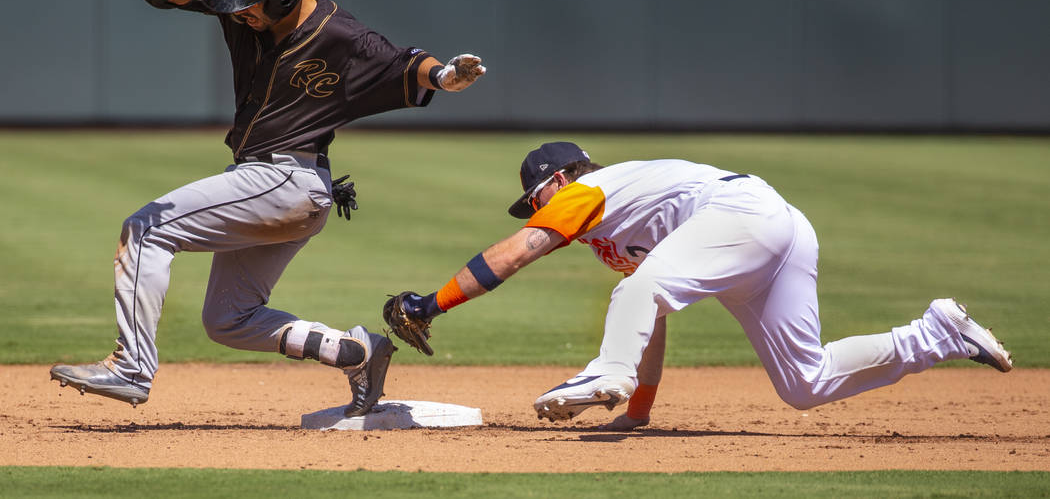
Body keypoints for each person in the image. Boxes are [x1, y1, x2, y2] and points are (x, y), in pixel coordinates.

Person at [49, 0, 486, 414]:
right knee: (228, 320)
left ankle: (130, 368)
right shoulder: (240, 7)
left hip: (285, 180)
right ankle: (356, 351)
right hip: (284, 190)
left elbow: (403, 64)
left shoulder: (341, 34)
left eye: (249, 2)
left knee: (146, 229)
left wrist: (446, 77)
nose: (238, 10)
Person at [386, 141, 1013, 429]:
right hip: (780, 231)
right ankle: (934, 334)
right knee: (804, 384)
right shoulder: (616, 233)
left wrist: (430, 303)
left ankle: (604, 372)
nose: (537, 209)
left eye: (535, 197)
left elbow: (521, 249)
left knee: (636, 291)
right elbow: (650, 315)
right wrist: (637, 413)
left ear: (556, 181)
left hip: (745, 216)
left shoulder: (587, 191)